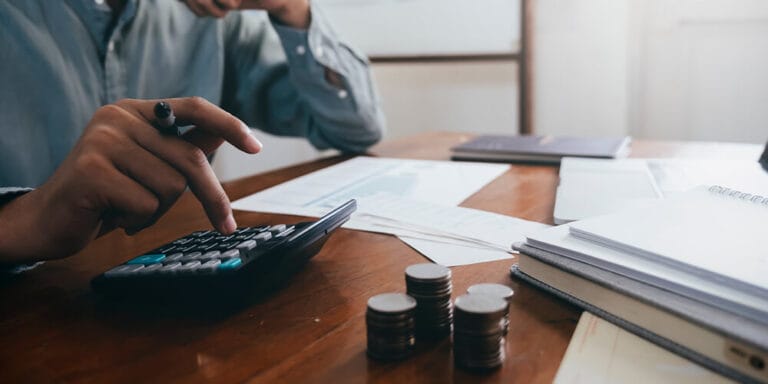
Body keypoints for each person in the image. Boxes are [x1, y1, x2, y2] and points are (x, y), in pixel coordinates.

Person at [0, 0, 385, 264]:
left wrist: (292, 8)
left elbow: (355, 128)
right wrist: (26, 221)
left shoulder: (211, 21)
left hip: (164, 301)